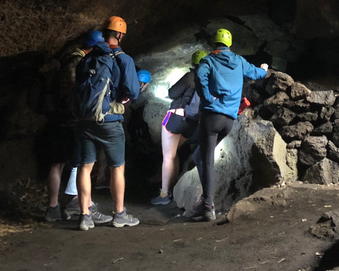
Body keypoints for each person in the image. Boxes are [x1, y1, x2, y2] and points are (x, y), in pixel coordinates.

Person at [190, 29, 268, 222]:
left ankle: (208, 205)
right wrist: (264, 69)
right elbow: (255, 73)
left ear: (213, 44)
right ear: (229, 45)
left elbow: (199, 76)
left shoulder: (208, 60)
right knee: (199, 156)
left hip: (212, 117)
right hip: (229, 121)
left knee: (206, 160)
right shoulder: (238, 61)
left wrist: (207, 97)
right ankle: (205, 201)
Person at [75, 16, 141, 230]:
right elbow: (133, 90)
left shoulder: (88, 58)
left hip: (86, 119)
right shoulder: (123, 59)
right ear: (120, 35)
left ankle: (85, 215)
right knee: (117, 168)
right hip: (110, 120)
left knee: (84, 167)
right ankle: (120, 214)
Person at [42, 30, 108, 223]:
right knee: (82, 163)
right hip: (73, 119)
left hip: (56, 117)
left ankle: (53, 208)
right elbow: (75, 91)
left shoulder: (65, 59)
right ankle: (82, 205)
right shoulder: (80, 63)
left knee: (58, 163)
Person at [151, 50, 207, 206]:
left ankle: (164, 194)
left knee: (168, 156)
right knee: (173, 154)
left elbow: (172, 93)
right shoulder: (208, 80)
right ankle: (173, 186)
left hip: (176, 118)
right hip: (192, 123)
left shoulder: (190, 77)